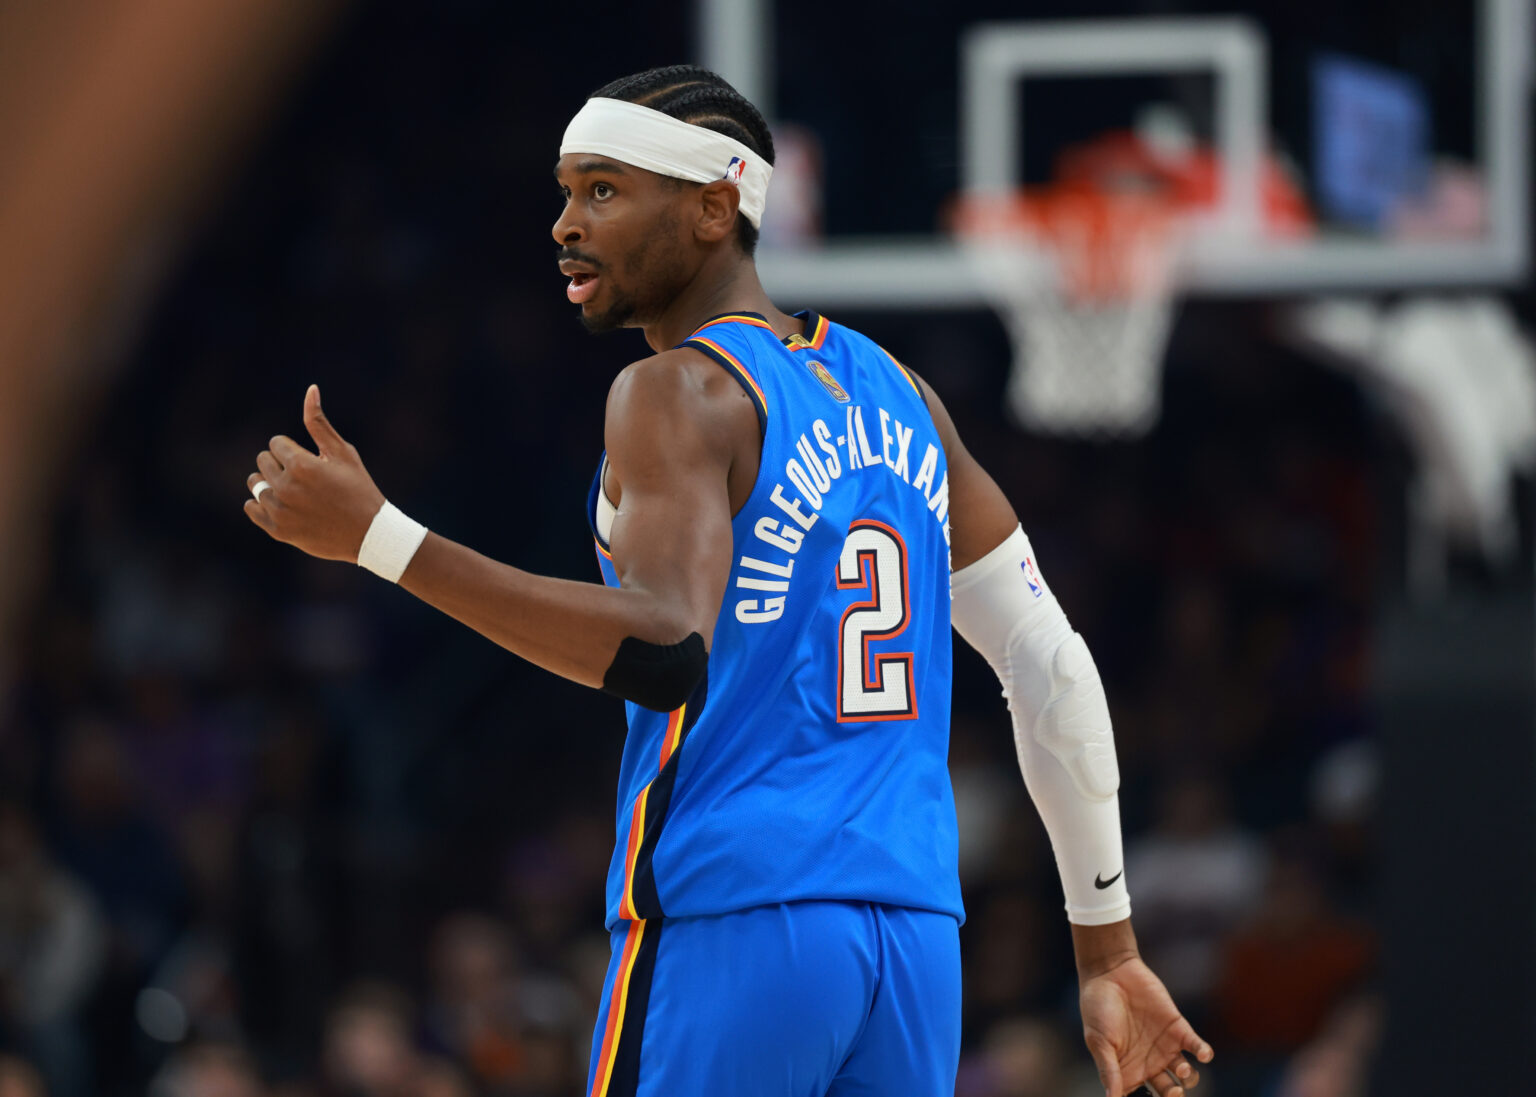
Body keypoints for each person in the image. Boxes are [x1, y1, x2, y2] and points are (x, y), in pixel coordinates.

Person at [243, 64, 1213, 1097]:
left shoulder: (677, 390)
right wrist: (1107, 950)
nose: (567, 224)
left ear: (713, 208)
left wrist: (382, 539)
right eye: (566, 191)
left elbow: (663, 647)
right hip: (916, 946)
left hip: (741, 921)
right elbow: (1049, 663)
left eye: (604, 190)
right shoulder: (904, 395)